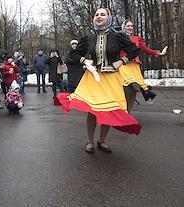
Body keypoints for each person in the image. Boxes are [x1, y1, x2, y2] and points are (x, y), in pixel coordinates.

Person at [57, 8, 141, 154]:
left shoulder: (118, 37)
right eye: (96, 14)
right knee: (92, 110)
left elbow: (134, 50)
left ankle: (102, 140)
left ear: (109, 18)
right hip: (93, 78)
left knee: (108, 110)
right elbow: (74, 53)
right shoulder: (89, 38)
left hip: (111, 78)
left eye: (103, 14)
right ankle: (90, 141)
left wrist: (122, 61)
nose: (99, 16)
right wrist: (85, 60)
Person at [119, 19, 164, 111]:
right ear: (124, 27)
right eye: (128, 26)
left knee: (134, 90)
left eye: (131, 26)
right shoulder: (119, 37)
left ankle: (128, 112)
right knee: (128, 86)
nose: (130, 28)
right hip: (124, 64)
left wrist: (156, 53)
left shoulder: (137, 38)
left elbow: (145, 48)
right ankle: (123, 109)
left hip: (134, 65)